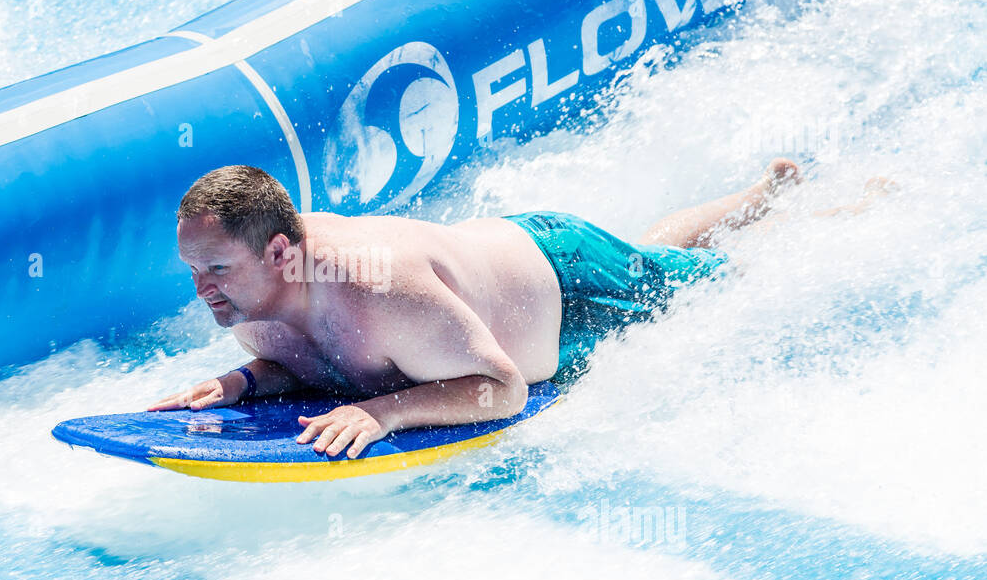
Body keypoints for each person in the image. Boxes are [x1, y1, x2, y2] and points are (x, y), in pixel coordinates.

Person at [148, 159, 888, 459]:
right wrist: (245, 382)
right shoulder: (249, 287)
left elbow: (502, 388)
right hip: (513, 257)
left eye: (215, 269)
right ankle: (759, 194)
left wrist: (387, 413)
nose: (202, 288)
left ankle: (837, 211)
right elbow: (308, 355)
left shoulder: (380, 293)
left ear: (281, 253)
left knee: (717, 276)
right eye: (193, 270)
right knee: (655, 257)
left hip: (573, 286)